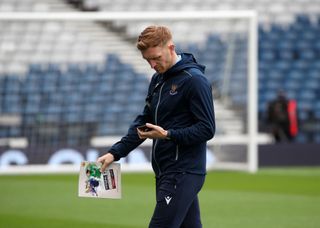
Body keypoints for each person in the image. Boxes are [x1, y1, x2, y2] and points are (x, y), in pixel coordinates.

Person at [97, 25, 215, 228]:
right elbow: (144, 123)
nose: (152, 64)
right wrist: (115, 153)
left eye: (156, 58)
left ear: (171, 48)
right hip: (165, 171)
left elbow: (207, 129)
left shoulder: (194, 81)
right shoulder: (158, 79)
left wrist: (168, 135)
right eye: (147, 60)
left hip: (183, 172)